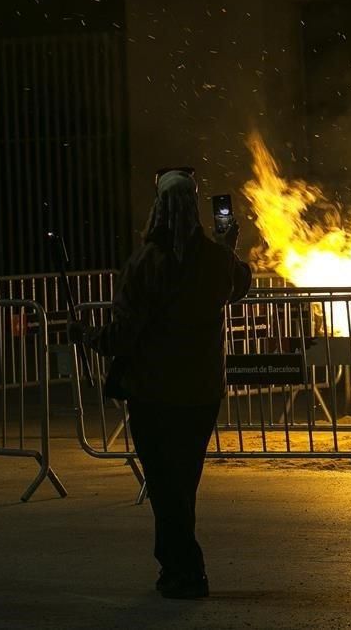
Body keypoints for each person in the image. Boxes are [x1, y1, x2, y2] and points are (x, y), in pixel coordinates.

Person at [70, 168, 251, 599]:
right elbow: (238, 286)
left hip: (154, 392)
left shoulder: (145, 262)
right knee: (182, 484)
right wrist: (228, 247)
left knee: (165, 486)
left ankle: (184, 570)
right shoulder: (217, 261)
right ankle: (177, 566)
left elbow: (122, 336)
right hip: (201, 392)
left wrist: (87, 335)